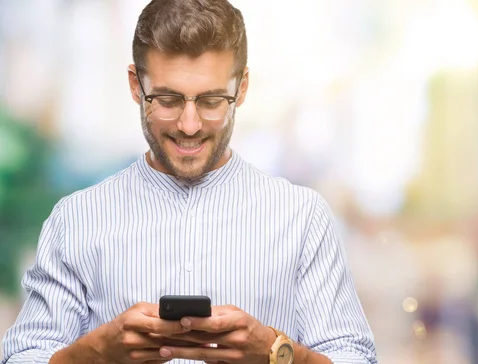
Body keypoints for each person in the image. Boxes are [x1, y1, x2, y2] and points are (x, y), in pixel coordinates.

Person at [1, 1, 377, 363]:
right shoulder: (76, 220)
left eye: (212, 101)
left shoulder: (302, 218)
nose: (189, 125)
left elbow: (355, 359)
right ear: (136, 85)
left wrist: (276, 354)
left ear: (242, 89)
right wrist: (95, 354)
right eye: (167, 99)